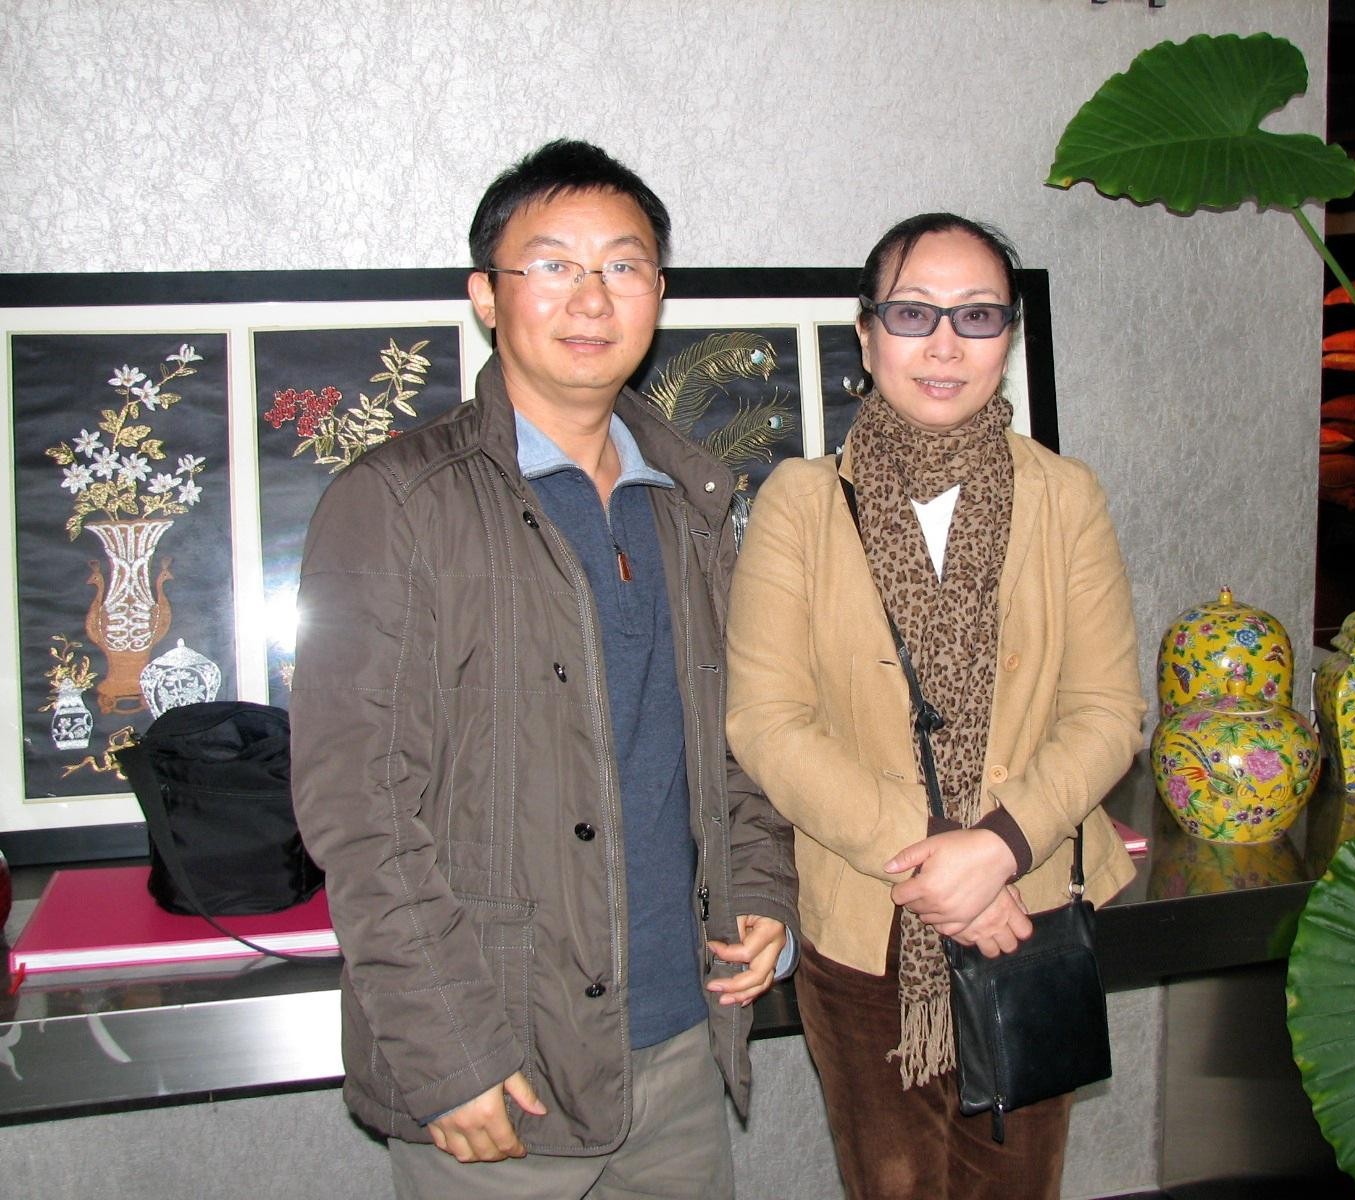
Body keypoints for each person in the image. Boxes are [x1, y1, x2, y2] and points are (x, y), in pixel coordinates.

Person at [291, 139, 797, 1200]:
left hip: (682, 1049)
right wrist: (446, 1053)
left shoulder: (692, 501)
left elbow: (733, 735)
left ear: (658, 293)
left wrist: (759, 888)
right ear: (487, 294)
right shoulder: (397, 503)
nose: (592, 297)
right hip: (500, 1069)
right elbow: (360, 808)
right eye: (553, 264)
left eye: (624, 265)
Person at [725, 213, 1144, 1199]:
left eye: (977, 315)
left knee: (1018, 1184)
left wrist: (996, 848)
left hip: (1028, 913)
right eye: (913, 313)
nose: (945, 343)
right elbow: (766, 721)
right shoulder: (798, 503)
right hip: (866, 914)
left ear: (1008, 336)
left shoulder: (1066, 497)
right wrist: (937, 861)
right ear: (866, 335)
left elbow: (1106, 710)